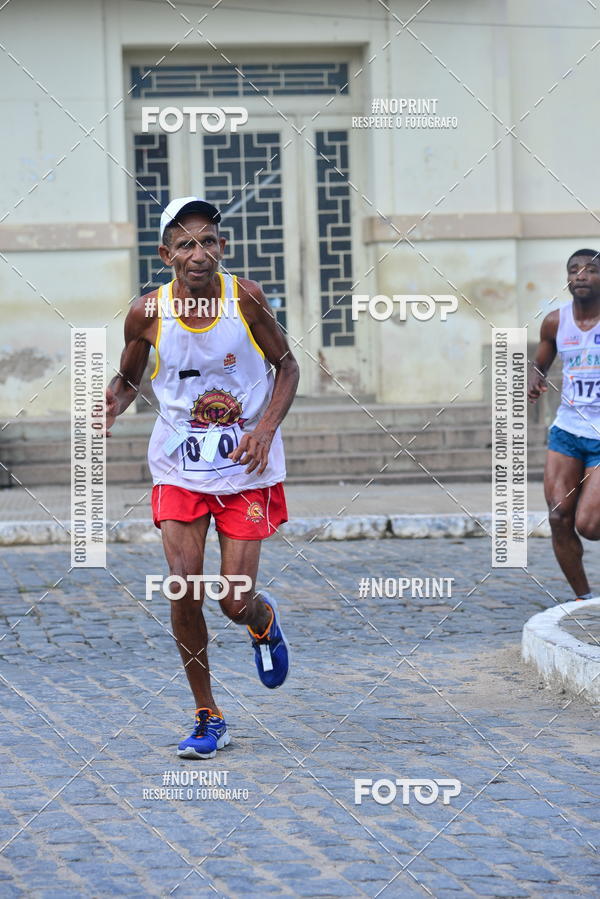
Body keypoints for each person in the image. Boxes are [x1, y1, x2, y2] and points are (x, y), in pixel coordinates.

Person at [105, 197, 299, 757]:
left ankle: (261, 621)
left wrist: (263, 429)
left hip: (245, 468)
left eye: (209, 240)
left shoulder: (245, 298)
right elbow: (128, 375)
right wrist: (113, 403)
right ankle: (208, 715)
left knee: (233, 602)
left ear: (223, 247)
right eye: (186, 244)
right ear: (166, 254)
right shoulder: (147, 313)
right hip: (179, 469)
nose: (199, 252)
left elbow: (287, 365)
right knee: (183, 587)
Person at [528, 248, 600, 600]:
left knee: (590, 525)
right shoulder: (556, 322)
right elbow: (541, 359)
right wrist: (534, 375)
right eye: (575, 270)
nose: (582, 275)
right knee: (559, 517)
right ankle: (584, 601)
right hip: (568, 433)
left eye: (591, 270)